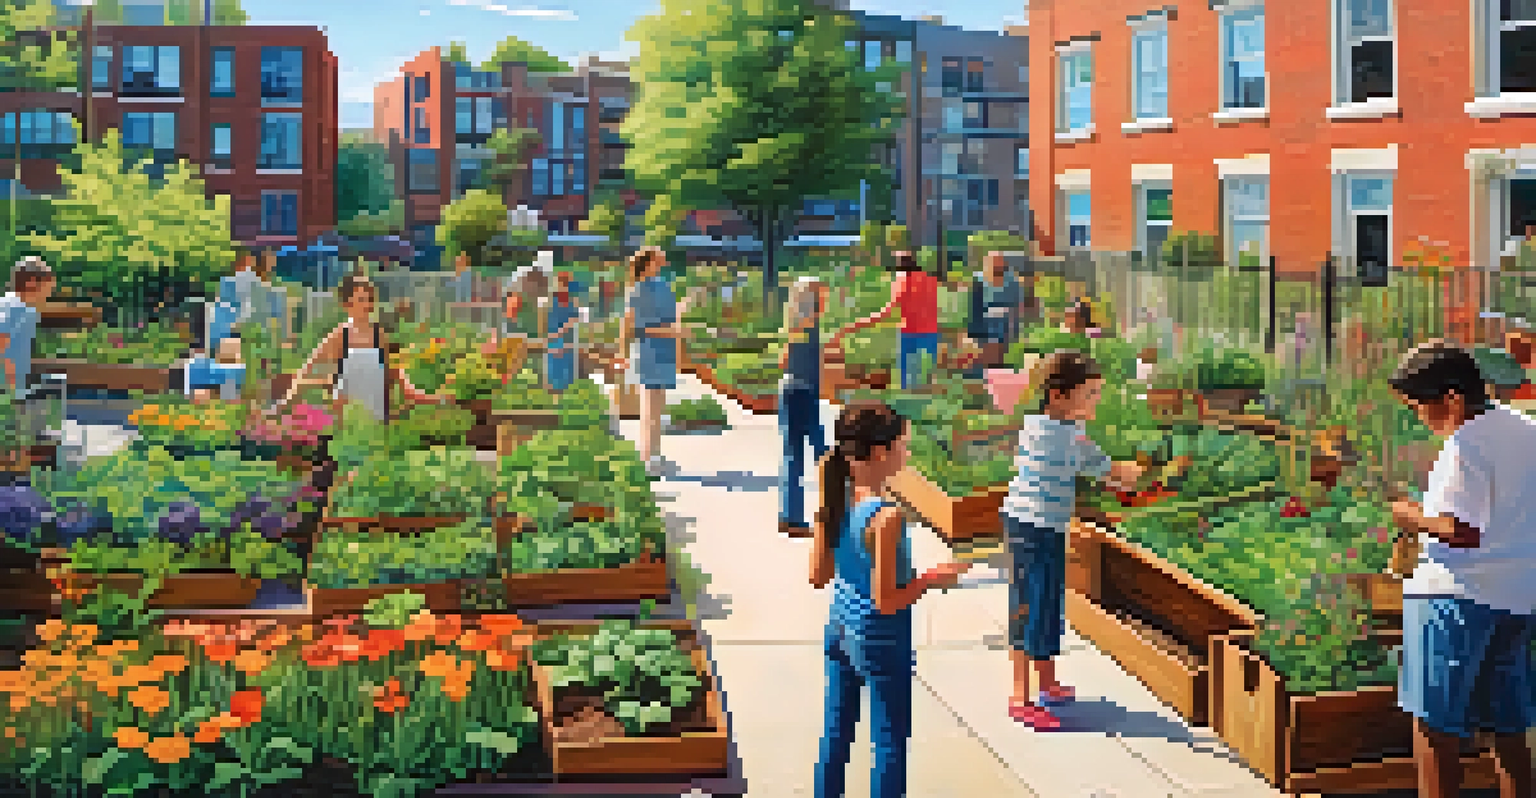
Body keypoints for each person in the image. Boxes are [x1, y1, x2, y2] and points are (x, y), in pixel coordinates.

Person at [1385, 340, 1536, 798]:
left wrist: (1410, 516)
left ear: (1451, 398)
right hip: (1516, 596)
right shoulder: (1525, 430)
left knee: (1436, 726)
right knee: (1507, 726)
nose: (1419, 418)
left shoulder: (1465, 443)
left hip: (1454, 595)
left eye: (1419, 406)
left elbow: (1462, 531)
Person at [811, 401, 972, 798]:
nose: (908, 452)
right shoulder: (887, 517)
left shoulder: (834, 487)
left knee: (835, 735)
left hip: (839, 627)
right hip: (880, 639)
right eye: (904, 444)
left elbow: (818, 575)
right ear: (881, 452)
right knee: (889, 744)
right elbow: (887, 601)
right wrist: (933, 578)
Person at [1003, 350, 1143, 730]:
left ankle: (1047, 683)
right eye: (1090, 393)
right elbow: (1102, 467)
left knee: (1048, 602)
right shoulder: (1060, 438)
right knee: (1027, 608)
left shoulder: (1047, 425)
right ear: (1059, 396)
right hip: (1029, 529)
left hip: (1044, 526)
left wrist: (1117, 477)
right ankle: (1020, 696)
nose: (1096, 400)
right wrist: (1132, 473)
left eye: (1097, 392)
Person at [277, 273, 444, 422]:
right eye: (361, 299)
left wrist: (435, 399)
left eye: (370, 299)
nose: (367, 304)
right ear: (348, 304)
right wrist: (284, 404)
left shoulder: (380, 336)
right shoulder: (340, 335)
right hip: (346, 420)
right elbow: (307, 371)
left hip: (376, 420)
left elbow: (398, 378)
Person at [617, 246, 685, 476]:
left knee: (659, 410)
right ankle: (647, 458)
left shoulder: (663, 286)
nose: (662, 263)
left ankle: (654, 455)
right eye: (658, 260)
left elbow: (672, 319)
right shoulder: (636, 291)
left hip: (664, 353)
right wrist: (673, 332)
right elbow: (639, 328)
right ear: (647, 263)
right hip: (647, 353)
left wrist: (680, 319)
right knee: (649, 410)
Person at [830, 250, 939, 389]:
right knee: (929, 381)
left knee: (909, 383)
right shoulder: (929, 280)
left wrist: (853, 326)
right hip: (931, 333)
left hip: (910, 333)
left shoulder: (903, 280)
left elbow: (886, 312)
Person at [779, 276, 830, 537]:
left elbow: (786, 356)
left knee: (794, 455)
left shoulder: (799, 321)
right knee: (824, 455)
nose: (825, 297)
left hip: (794, 390)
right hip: (801, 392)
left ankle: (790, 516)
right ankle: (837, 511)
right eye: (820, 292)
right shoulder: (805, 320)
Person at [0, 256, 56, 396]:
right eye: (48, 286)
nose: (50, 292)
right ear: (31, 283)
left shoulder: (27, 310)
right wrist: (12, 389)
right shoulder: (15, 307)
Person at [968, 251, 1025, 370]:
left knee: (1001, 358)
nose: (996, 268)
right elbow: (974, 308)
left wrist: (1015, 330)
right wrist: (974, 333)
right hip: (985, 327)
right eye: (992, 264)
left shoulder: (1012, 283)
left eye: (999, 265)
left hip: (1005, 326)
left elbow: (1017, 306)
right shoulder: (979, 281)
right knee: (987, 359)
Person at [540, 271, 583, 392]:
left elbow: (574, 318)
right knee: (554, 368)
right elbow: (545, 318)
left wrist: (560, 331)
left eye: (565, 283)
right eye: (560, 283)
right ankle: (553, 391)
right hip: (552, 337)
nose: (562, 286)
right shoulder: (552, 299)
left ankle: (565, 392)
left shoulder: (572, 300)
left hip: (565, 339)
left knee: (566, 369)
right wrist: (547, 335)